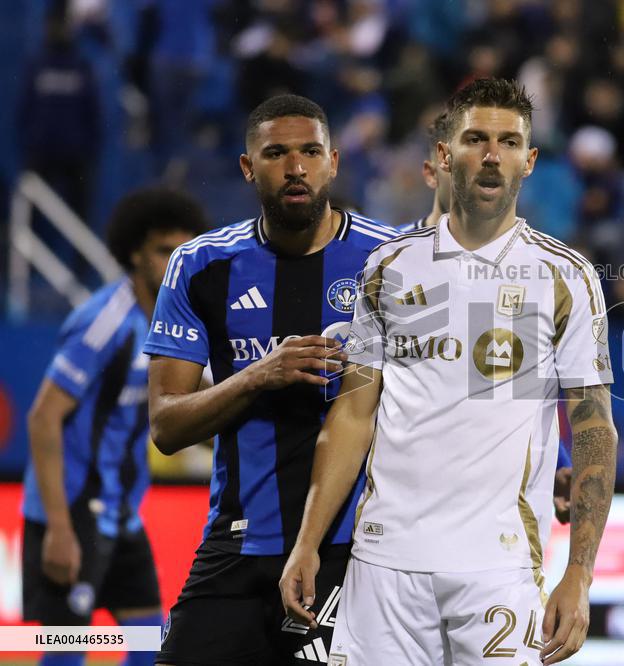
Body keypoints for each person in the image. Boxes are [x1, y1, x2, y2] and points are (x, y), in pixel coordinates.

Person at [281, 77, 618, 665]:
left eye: (510, 142)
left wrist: (579, 576)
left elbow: (593, 430)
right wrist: (307, 543)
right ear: (443, 155)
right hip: (383, 565)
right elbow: (355, 412)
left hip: (500, 568)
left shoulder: (564, 275)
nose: (493, 156)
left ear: (530, 161)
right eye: (476, 139)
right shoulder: (388, 267)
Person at [142, 94, 398, 665]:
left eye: (310, 152)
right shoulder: (200, 266)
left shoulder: (391, 260)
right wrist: (259, 375)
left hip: (350, 551)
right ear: (247, 166)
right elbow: (165, 425)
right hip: (236, 544)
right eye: (277, 153)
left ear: (333, 161)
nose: (296, 167)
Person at [21, 188, 209, 666]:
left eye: (183, 251)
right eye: (164, 250)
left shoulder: (178, 327)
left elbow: (190, 412)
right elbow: (42, 417)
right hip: (72, 514)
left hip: (124, 518)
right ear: (134, 253)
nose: (175, 263)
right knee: (65, 654)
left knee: (154, 648)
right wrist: (59, 529)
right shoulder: (105, 322)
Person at [402, 110, 576, 522]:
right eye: (468, 150)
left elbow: (506, 387)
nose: (483, 165)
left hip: (488, 517)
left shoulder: (517, 272)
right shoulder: (388, 264)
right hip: (400, 509)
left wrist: (557, 463)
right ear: (437, 167)